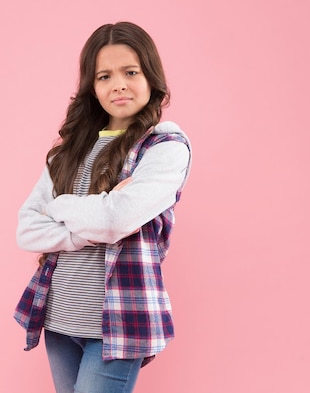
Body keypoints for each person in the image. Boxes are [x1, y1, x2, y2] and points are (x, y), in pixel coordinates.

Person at [13, 21, 192, 393]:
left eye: (130, 72)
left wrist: (60, 206)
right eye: (104, 76)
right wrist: (93, 211)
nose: (119, 85)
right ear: (92, 88)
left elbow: (116, 221)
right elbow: (27, 229)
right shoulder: (69, 152)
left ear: (150, 76)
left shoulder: (164, 148)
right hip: (59, 316)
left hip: (119, 324)